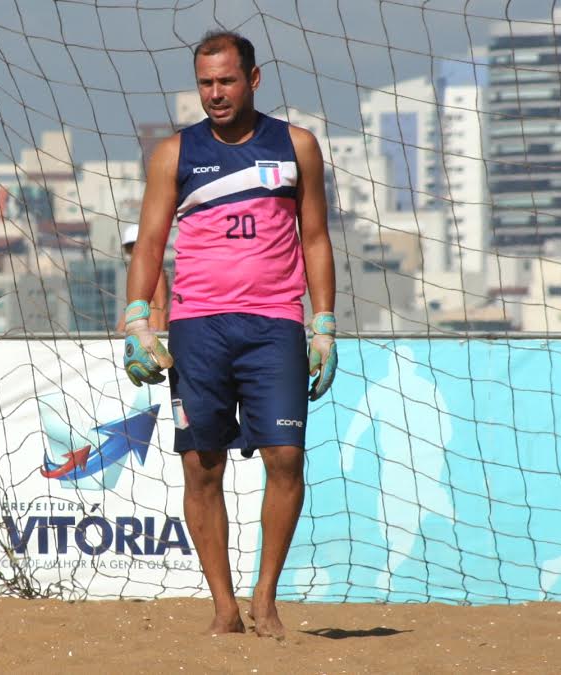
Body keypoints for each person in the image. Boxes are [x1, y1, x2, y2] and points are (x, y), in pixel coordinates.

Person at [121, 29, 337, 638]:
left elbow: (316, 239)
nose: (215, 94)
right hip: (198, 328)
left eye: (227, 80)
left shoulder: (297, 145)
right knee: (201, 467)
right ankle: (224, 607)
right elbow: (150, 244)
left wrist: (323, 324)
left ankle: (265, 599)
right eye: (206, 83)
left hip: (275, 325)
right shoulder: (174, 153)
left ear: (254, 78)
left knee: (286, 458)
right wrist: (138, 317)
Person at [116, 223, 169, 333]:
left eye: (134, 246)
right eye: (129, 247)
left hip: (152, 327)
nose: (132, 251)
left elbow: (161, 303)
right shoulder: (137, 269)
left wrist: (162, 333)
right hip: (139, 324)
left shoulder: (154, 268)